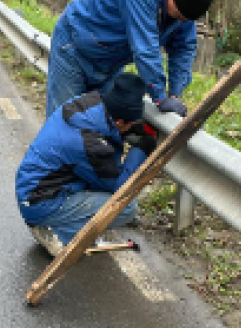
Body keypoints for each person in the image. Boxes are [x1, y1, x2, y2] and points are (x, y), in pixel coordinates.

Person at [45, 0, 215, 118]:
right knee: (64, 120)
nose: (179, 21)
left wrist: (175, 94)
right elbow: (145, 47)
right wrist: (160, 98)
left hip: (111, 61)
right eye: (178, 15)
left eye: (184, 20)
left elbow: (184, 47)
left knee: (100, 126)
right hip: (75, 46)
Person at [15, 73, 158, 257]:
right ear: (119, 122)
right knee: (126, 207)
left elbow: (104, 149)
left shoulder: (89, 103)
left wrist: (123, 132)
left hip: (34, 189)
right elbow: (120, 187)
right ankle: (56, 232)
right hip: (41, 202)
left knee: (101, 184)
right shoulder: (89, 144)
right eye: (130, 124)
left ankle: (57, 222)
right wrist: (140, 149)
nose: (132, 127)